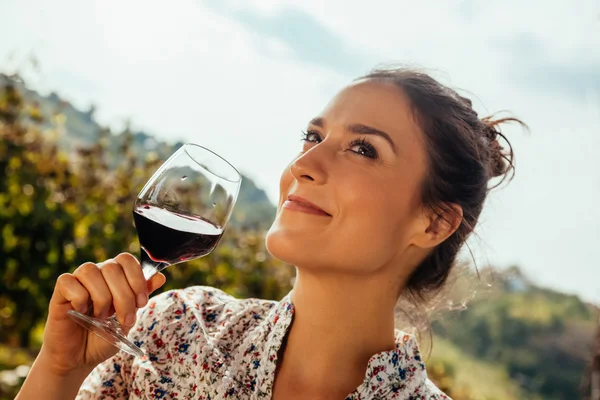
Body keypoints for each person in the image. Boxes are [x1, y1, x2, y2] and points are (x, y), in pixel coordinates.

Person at [16, 66, 522, 400]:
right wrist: (59, 370)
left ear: (433, 222)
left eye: (363, 149)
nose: (305, 163)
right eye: (313, 137)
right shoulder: (174, 332)